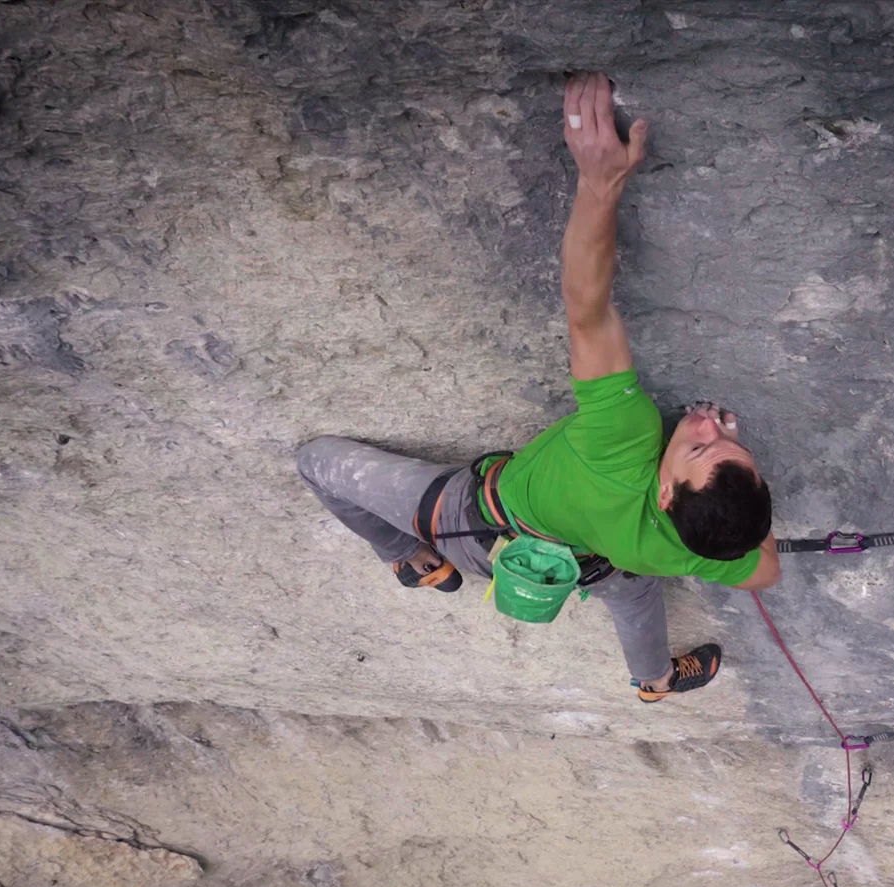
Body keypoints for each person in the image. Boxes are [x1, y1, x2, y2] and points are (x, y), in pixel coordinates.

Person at [295, 72, 779, 702]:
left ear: (664, 491)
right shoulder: (696, 551)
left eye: (699, 444)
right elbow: (765, 570)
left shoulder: (623, 442)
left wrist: (599, 183)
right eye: (727, 440)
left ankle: (412, 556)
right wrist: (733, 497)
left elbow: (589, 311)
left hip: (476, 524)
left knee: (315, 463)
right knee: (633, 593)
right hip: (605, 565)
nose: (709, 423)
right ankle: (654, 682)